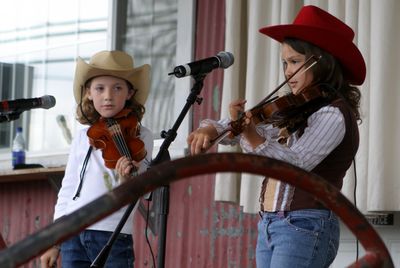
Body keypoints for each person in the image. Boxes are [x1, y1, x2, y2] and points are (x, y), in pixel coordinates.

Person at [187, 5, 365, 268]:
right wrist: (211, 128)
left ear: (323, 62)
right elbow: (239, 126)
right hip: (271, 223)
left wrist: (249, 134)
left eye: (295, 62)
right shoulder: (295, 108)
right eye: (285, 63)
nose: (288, 71)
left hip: (305, 224)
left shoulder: (332, 114)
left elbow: (295, 164)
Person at [40, 50, 153, 268]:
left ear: (130, 93)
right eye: (100, 88)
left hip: (111, 232)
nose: (108, 96)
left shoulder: (140, 135)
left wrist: (126, 179)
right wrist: (54, 242)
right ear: (89, 93)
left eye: (117, 88)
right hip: (72, 232)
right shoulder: (84, 136)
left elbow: (145, 189)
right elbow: (68, 189)